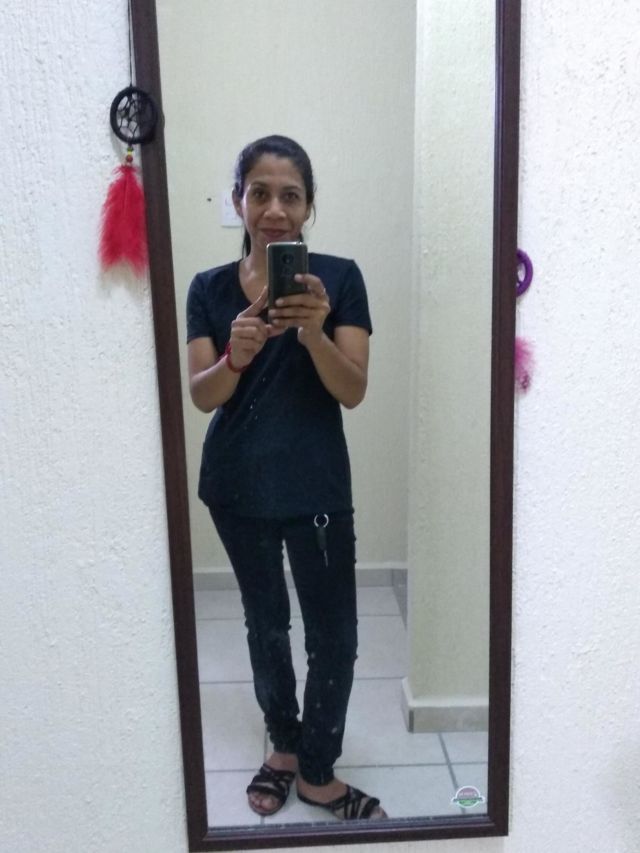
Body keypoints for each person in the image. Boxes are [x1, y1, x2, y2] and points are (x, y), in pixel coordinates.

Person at [186, 135, 386, 821]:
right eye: (260, 192)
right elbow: (202, 395)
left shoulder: (341, 279)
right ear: (238, 199)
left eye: (290, 195)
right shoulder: (209, 289)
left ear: (308, 206)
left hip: (317, 486)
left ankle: (319, 771)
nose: (275, 209)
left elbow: (352, 389)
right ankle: (283, 748)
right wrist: (235, 356)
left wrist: (313, 332)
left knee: (335, 635)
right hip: (236, 487)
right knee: (265, 624)